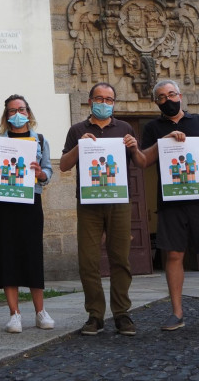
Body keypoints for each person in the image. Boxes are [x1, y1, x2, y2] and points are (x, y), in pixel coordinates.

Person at [132, 79, 199, 332]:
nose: (167, 100)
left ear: (180, 95)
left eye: (171, 94)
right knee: (174, 254)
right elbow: (143, 161)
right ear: (156, 102)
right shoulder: (154, 128)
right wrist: (164, 141)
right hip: (171, 201)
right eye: (161, 97)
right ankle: (177, 313)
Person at [60, 82, 139, 336]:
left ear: (114, 103)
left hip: (118, 202)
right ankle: (95, 315)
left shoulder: (125, 128)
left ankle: (122, 313)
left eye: (109, 99)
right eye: (99, 98)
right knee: (88, 262)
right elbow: (63, 165)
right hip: (89, 203)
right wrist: (79, 146)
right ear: (90, 100)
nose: (104, 103)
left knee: (120, 259)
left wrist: (133, 146)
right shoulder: (77, 129)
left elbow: (141, 161)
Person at [0, 94, 54, 333]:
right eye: (12, 110)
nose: (17, 114)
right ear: (6, 115)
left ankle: (40, 311)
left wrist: (40, 173)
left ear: (28, 112)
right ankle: (14, 314)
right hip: (4, 203)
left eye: (21, 109)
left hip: (30, 202)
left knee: (32, 254)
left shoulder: (40, 139)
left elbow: (47, 172)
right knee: (7, 255)